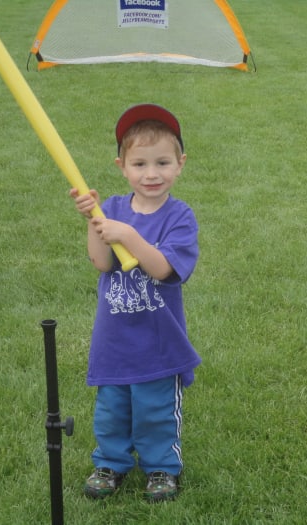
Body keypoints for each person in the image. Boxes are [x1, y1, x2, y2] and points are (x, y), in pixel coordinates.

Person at [69, 104, 201, 502]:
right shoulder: (111, 207)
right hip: (114, 340)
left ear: (180, 164)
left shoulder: (179, 217)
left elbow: (163, 269)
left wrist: (127, 234)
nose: (151, 173)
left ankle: (162, 467)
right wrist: (94, 221)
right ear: (122, 166)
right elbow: (101, 261)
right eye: (139, 163)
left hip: (158, 343)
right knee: (112, 410)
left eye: (162, 162)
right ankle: (110, 462)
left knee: (156, 410)